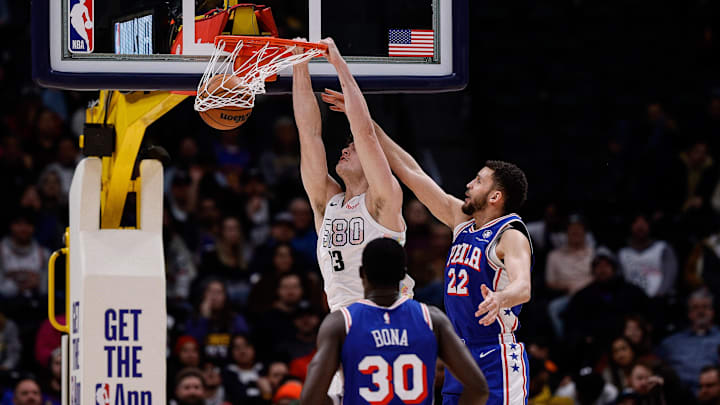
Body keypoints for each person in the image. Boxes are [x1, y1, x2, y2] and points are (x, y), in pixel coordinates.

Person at [323, 87, 533, 405]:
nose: (468, 184)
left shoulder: (510, 234)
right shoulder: (461, 220)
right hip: (459, 355)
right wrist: (362, 119)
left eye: (478, 181)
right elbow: (411, 172)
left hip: (496, 354)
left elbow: (523, 285)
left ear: (495, 197)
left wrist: (503, 295)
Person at [292, 38, 414, 315]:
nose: (345, 150)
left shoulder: (382, 200)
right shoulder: (326, 201)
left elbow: (366, 135)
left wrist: (339, 65)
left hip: (390, 313)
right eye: (345, 146)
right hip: (344, 318)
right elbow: (308, 135)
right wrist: (300, 66)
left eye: (352, 148)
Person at [301, 238, 489, 405]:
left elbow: (310, 399)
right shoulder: (432, 319)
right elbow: (478, 388)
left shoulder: (340, 323)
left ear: (362, 273)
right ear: (403, 274)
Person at [657, 288, 720, 395]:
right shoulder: (671, 343)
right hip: (678, 396)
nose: (700, 312)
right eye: (695, 308)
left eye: (705, 307)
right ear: (689, 313)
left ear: (712, 312)